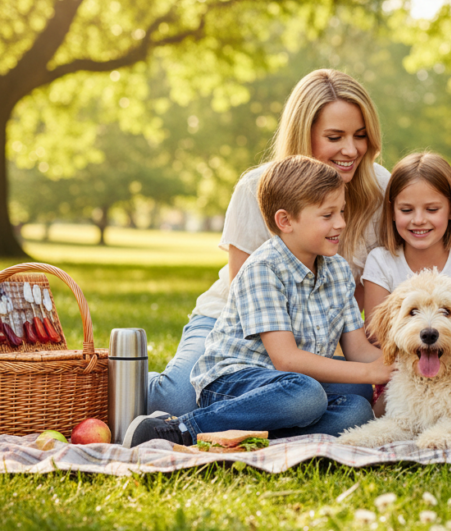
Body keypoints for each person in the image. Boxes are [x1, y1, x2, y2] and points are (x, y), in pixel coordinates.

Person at [148, 70, 390, 416]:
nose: (351, 150)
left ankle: (265, 418)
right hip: (237, 335)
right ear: (304, 133)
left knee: (352, 403)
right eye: (334, 137)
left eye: (361, 135)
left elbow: (361, 297)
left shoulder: (379, 188)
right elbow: (246, 300)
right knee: (176, 401)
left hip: (314, 338)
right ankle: (131, 383)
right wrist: (349, 370)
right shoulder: (256, 187)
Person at [124, 156, 393, 447]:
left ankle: (242, 433)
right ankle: (183, 429)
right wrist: (369, 371)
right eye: (327, 215)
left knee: (358, 405)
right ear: (285, 221)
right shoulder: (264, 268)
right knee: (308, 395)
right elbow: (287, 359)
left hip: (291, 384)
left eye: (342, 211)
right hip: (234, 382)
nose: (341, 223)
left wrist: (400, 364)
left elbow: (358, 350)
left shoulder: (338, 269)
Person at [363, 152, 451, 345]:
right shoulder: (380, 260)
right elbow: (376, 336)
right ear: (392, 211)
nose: (418, 220)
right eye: (406, 210)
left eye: (432, 209)